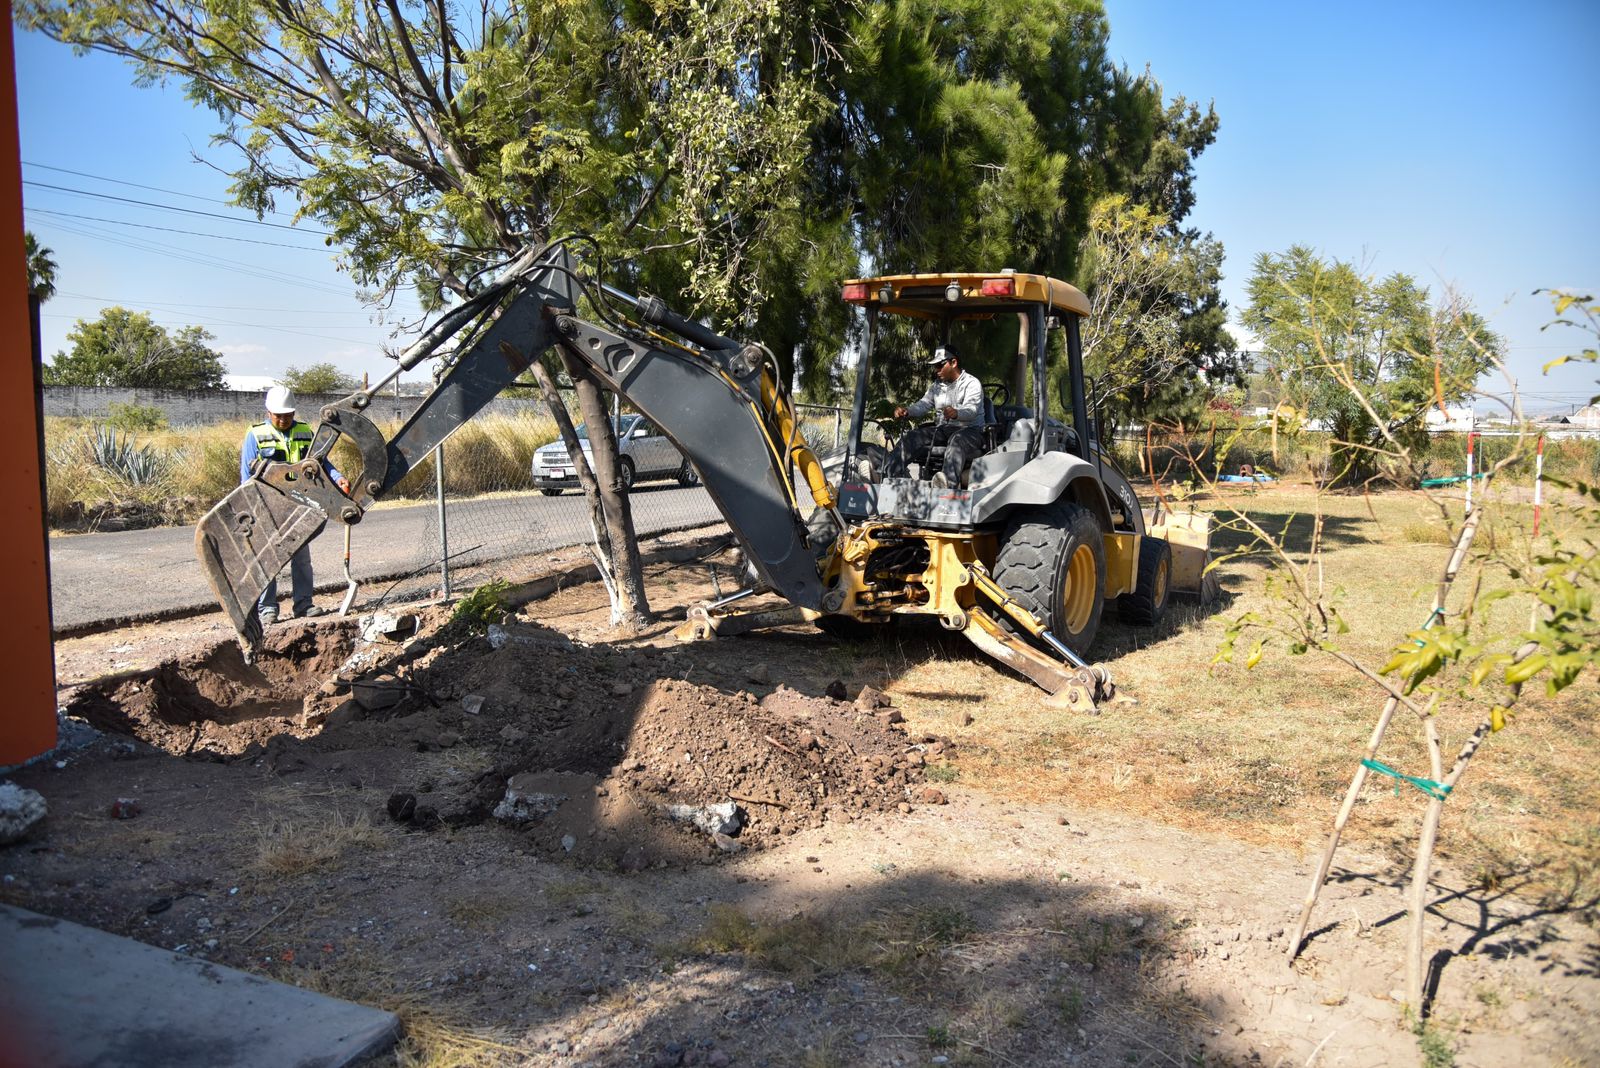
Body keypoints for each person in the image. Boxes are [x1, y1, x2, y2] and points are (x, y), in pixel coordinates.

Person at [240, 385, 350, 625]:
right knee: (267, 558)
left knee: (301, 557)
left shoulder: (304, 432)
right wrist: (249, 508)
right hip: (267, 505)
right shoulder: (255, 435)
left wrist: (338, 477)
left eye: (287, 415)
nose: (283, 420)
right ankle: (267, 608)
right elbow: (246, 477)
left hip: (300, 504)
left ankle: (304, 604)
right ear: (268, 412)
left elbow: (322, 462)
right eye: (278, 415)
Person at [886, 346, 986, 487]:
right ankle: (887, 475)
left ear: (953, 363)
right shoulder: (937, 386)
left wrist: (957, 413)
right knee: (912, 436)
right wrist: (907, 411)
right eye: (935, 366)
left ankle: (946, 485)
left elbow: (972, 410)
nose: (936, 370)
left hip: (971, 432)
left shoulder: (972, 383)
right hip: (943, 430)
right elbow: (923, 404)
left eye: (940, 365)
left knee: (957, 440)